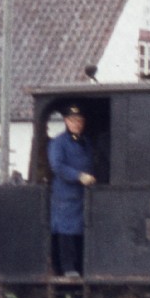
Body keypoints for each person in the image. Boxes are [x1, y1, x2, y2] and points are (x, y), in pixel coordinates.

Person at [49, 103, 96, 277]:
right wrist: (79, 176)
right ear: (66, 121)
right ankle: (67, 268)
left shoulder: (86, 142)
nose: (77, 123)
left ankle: (80, 267)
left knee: (81, 232)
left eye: (80, 120)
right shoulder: (58, 143)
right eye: (73, 120)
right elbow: (57, 166)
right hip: (65, 196)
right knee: (65, 232)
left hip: (83, 196)